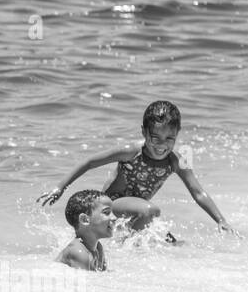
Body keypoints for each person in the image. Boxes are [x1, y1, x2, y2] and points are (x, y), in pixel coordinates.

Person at [37, 100, 235, 237]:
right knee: (151, 211)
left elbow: (198, 192)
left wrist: (221, 220)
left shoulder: (176, 160)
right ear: (143, 132)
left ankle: (125, 247)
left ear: (178, 134)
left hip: (136, 211)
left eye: (169, 139)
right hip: (111, 206)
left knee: (173, 245)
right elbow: (89, 163)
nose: (161, 145)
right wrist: (60, 187)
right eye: (154, 138)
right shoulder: (132, 152)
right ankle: (125, 244)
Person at [55, 190, 115, 271]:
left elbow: (104, 275)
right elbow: (89, 282)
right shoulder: (78, 252)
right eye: (106, 212)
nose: (114, 217)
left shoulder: (98, 247)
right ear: (85, 220)